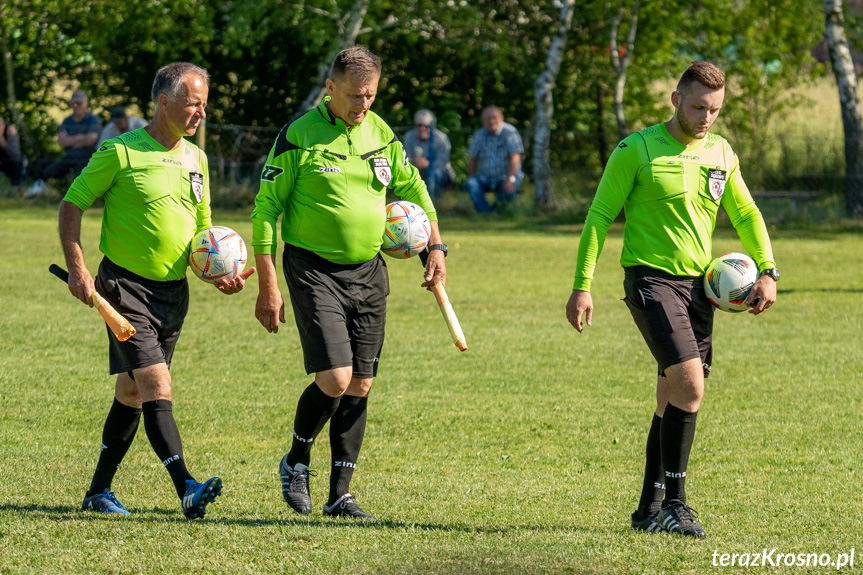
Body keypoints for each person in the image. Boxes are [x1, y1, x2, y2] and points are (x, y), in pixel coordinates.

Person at [565, 61, 779, 538]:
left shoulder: (721, 152)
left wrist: (768, 270)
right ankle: (677, 506)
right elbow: (599, 216)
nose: (706, 118)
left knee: (670, 398)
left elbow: (746, 212)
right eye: (699, 106)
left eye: (715, 110)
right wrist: (583, 285)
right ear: (675, 99)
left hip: (699, 290)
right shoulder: (636, 149)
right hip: (650, 281)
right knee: (691, 389)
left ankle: (648, 509)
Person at [252, 45, 447, 520]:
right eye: (357, 96)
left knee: (360, 383)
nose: (364, 106)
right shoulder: (298, 135)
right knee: (335, 378)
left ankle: (340, 495)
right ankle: (296, 460)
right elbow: (265, 211)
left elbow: (414, 189)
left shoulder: (380, 132)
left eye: (372, 96)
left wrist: (435, 246)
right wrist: (268, 284)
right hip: (312, 269)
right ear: (331, 89)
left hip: (369, 272)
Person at [58, 62, 254, 519]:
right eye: (193, 104)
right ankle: (187, 486)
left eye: (205, 105)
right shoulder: (120, 152)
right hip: (123, 286)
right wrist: (77, 268)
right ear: (163, 101)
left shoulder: (197, 159)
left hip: (173, 293)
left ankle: (98, 493)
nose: (200, 113)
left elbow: (202, 234)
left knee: (131, 392)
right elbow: (72, 203)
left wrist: (216, 273)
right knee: (156, 383)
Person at [465, 106, 524, 213]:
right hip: (486, 177)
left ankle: (498, 212)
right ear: (483, 121)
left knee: (509, 189)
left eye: (494, 117)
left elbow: (515, 157)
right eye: (488, 118)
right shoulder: (479, 134)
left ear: (501, 118)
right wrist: (471, 176)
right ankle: (485, 213)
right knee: (471, 183)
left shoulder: (510, 132)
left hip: (507, 176)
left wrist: (510, 178)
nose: (491, 121)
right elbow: (473, 159)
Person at [38, 90, 102, 186]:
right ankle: (52, 192)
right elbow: (61, 141)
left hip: (87, 159)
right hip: (69, 158)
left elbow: (91, 140)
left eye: (79, 103)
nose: (77, 106)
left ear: (86, 104)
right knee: (48, 172)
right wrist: (80, 138)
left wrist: (70, 140)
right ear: (71, 105)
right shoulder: (67, 121)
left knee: (81, 177)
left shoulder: (93, 119)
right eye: (74, 103)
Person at [401, 109, 455, 200]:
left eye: (426, 126)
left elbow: (443, 161)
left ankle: (435, 203)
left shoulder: (442, 138)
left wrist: (428, 164)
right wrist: (413, 162)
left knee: (435, 173)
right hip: (415, 169)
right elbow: (404, 158)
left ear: (433, 126)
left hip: (441, 172)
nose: (423, 129)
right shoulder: (409, 136)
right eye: (419, 125)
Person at [0, 115, 24, 186]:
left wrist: (3, 143)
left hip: (10, 163)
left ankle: (16, 186)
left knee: (17, 161)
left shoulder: (10, 130)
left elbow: (16, 154)